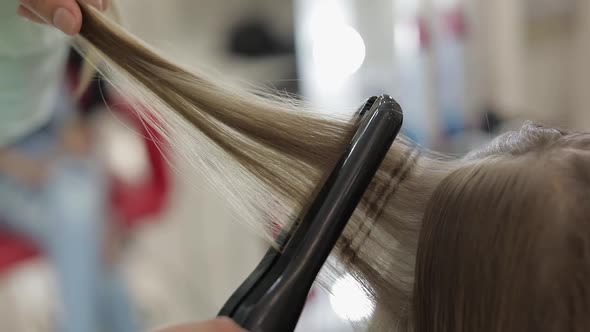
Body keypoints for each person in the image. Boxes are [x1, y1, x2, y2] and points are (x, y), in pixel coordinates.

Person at [0, 1, 138, 332]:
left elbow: (83, 135)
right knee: (81, 222)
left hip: (61, 170)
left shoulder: (72, 43)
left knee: (77, 209)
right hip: (16, 173)